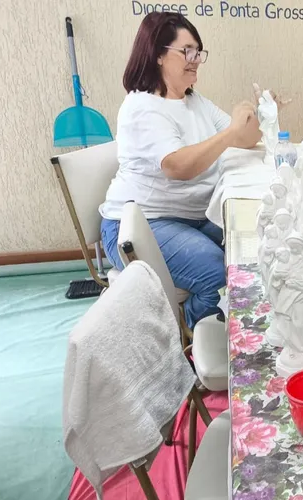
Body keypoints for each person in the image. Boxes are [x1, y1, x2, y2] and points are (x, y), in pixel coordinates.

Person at [99, 13, 260, 328]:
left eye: (198, 52)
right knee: (217, 273)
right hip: (140, 225)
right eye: (187, 51)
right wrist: (230, 134)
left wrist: (254, 115)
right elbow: (178, 166)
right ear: (158, 54)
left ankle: (233, 326)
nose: (196, 60)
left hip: (192, 217)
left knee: (255, 238)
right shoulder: (141, 107)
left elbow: (245, 139)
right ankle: (187, 336)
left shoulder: (193, 100)